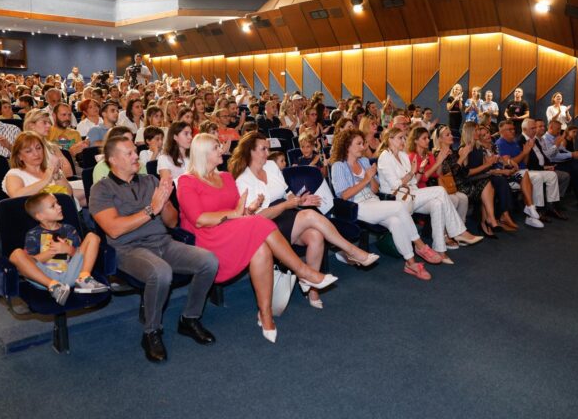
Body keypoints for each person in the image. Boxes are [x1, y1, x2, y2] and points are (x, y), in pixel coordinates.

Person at [177, 134, 337, 343]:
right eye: (216, 147)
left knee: (261, 248)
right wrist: (236, 214)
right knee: (260, 223)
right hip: (207, 236)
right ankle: (304, 271)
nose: (222, 150)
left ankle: (265, 313)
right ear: (203, 153)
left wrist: (249, 209)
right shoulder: (187, 181)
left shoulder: (225, 177)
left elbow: (239, 211)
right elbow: (199, 220)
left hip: (230, 230)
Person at [90, 136, 219, 362]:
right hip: (128, 249)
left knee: (208, 261)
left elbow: (171, 222)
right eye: (129, 153)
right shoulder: (101, 189)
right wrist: (151, 209)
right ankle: (151, 331)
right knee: (161, 272)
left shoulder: (150, 180)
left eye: (135, 151)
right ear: (113, 160)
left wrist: (165, 203)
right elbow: (114, 229)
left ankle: (189, 318)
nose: (136, 156)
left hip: (163, 242)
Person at [230, 132, 378, 308]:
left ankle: (313, 289)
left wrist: (300, 201)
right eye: (263, 149)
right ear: (251, 151)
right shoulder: (243, 179)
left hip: (288, 216)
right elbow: (257, 217)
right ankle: (351, 251)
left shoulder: (270, 165)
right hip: (267, 227)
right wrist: (287, 205)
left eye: (268, 148)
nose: (267, 153)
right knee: (309, 215)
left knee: (316, 235)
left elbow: (287, 193)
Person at [331, 129, 445, 280]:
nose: (363, 147)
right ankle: (420, 245)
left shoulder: (364, 162)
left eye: (363, 143)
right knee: (399, 206)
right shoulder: (338, 166)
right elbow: (344, 195)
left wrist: (371, 178)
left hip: (373, 202)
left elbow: (375, 189)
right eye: (358, 144)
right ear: (347, 146)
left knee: (396, 222)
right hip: (356, 207)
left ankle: (411, 263)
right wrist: (366, 179)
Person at [377, 127, 482, 264]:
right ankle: (459, 232)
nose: (403, 140)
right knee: (440, 190)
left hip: (411, 195)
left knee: (438, 204)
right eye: (400, 138)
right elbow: (395, 185)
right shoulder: (384, 157)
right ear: (390, 140)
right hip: (397, 200)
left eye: (404, 137)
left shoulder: (402, 155)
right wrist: (412, 172)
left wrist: (419, 170)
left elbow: (414, 181)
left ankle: (440, 250)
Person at [8, 193, 108, 305]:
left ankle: (84, 279)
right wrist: (51, 252)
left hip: (71, 272)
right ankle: (54, 287)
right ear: (40, 216)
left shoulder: (69, 229)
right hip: (44, 278)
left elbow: (81, 255)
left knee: (92, 236)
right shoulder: (33, 234)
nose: (59, 206)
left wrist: (68, 249)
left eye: (57, 203)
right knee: (16, 254)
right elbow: (30, 262)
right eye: (53, 206)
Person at [495, 121, 547, 228]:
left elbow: (524, 162)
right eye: (509, 129)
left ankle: (532, 214)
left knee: (537, 178)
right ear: (501, 132)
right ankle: (531, 208)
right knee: (529, 175)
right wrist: (524, 153)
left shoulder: (514, 142)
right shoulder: (500, 143)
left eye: (513, 129)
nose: (513, 131)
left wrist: (527, 152)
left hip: (522, 171)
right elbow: (509, 164)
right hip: (511, 173)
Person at [540, 119, 578, 210]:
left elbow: (563, 150)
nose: (559, 131)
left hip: (560, 161)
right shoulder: (544, 139)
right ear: (550, 128)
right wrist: (572, 154)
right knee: (576, 167)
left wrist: (575, 153)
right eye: (558, 129)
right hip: (552, 164)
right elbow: (552, 157)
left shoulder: (556, 137)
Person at [2, 132, 73, 199]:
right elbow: (16, 196)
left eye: (38, 148)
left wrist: (56, 173)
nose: (36, 153)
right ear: (19, 156)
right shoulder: (14, 174)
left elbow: (69, 194)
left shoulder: (51, 168)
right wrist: (45, 180)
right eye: (28, 151)